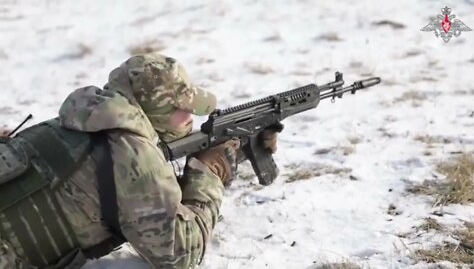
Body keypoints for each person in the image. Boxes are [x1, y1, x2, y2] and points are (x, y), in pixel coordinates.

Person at [0, 53, 278, 268]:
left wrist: (237, 150)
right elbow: (178, 255)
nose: (191, 117)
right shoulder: (132, 155)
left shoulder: (83, 121)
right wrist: (209, 173)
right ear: (155, 112)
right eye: (183, 108)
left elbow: (132, 195)